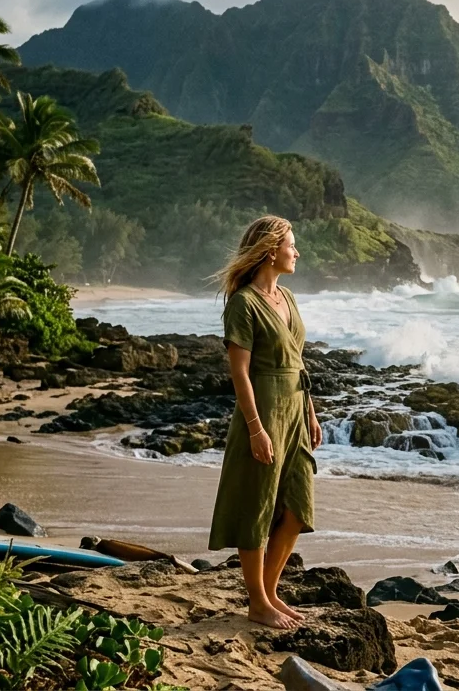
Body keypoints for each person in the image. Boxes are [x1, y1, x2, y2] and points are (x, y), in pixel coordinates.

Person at [208, 215, 322, 629]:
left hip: (295, 406)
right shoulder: (243, 304)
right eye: (292, 244)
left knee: (296, 506)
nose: (297, 252)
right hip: (265, 411)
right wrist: (256, 427)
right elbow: (239, 372)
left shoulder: (288, 298)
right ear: (271, 250)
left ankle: (270, 593)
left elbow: (298, 359)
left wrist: (310, 411)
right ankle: (257, 601)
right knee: (257, 504)